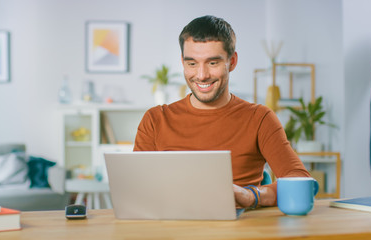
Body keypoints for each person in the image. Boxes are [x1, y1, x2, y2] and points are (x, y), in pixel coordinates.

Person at [133, 15, 310, 209]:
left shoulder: (259, 118)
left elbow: (299, 180)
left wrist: (253, 196)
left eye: (213, 63)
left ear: (232, 62)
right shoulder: (156, 119)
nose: (201, 75)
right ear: (183, 62)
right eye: (192, 63)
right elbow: (135, 190)